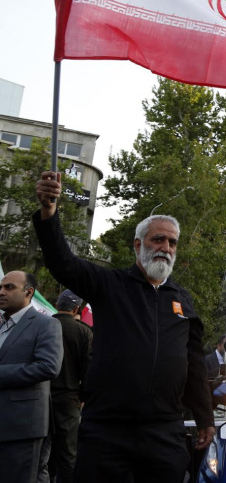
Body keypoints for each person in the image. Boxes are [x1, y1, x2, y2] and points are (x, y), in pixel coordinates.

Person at [33, 171, 213, 481]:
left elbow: (194, 364)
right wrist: (49, 212)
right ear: (138, 244)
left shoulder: (183, 300)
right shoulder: (109, 284)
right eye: (158, 239)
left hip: (165, 433)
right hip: (107, 430)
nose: (166, 247)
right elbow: (63, 262)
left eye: (172, 242)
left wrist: (205, 418)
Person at [0, 271, 63, 483]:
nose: (1, 292)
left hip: (22, 426)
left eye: (9, 288)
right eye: (1, 287)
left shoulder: (47, 324)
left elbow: (48, 367)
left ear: (29, 292)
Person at [49, 289, 92, 483]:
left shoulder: (42, 325)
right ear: (77, 308)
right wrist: (82, 398)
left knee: (41, 450)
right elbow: (89, 371)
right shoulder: (83, 332)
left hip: (39, 398)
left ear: (57, 305)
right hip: (69, 401)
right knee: (68, 454)